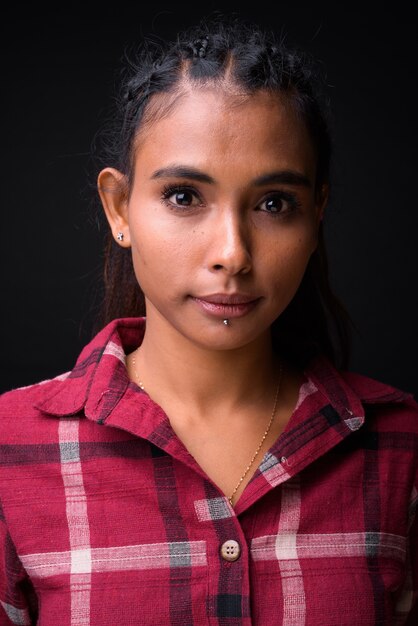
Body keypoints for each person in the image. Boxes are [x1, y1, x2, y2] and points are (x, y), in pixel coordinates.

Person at [0, 13, 416, 626]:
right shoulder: (11, 450)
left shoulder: (400, 447)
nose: (233, 253)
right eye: (184, 197)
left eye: (275, 204)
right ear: (119, 207)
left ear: (317, 214)